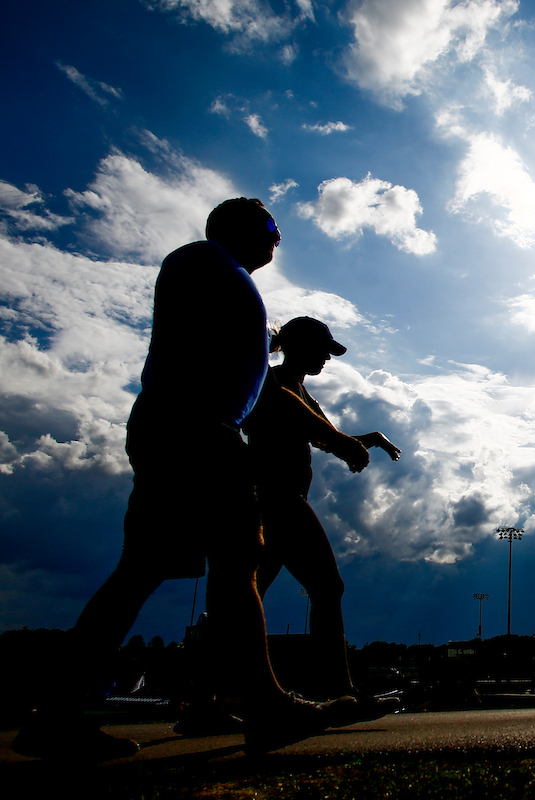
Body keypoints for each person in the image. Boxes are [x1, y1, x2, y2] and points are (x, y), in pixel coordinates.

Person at [14, 198, 365, 760]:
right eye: (272, 228)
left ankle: (56, 713)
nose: (278, 239)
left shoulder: (218, 273)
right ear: (240, 228)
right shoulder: (203, 261)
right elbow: (237, 366)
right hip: (196, 427)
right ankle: (266, 706)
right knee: (234, 563)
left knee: (147, 570)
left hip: (188, 424)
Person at [241, 316, 401, 714]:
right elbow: (321, 433)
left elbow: (327, 437)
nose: (327, 359)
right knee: (327, 588)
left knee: (246, 597)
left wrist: (371, 438)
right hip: (277, 498)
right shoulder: (272, 381)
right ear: (295, 346)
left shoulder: (301, 390)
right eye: (322, 350)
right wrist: (347, 444)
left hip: (280, 498)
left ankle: (202, 697)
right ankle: (338, 690)